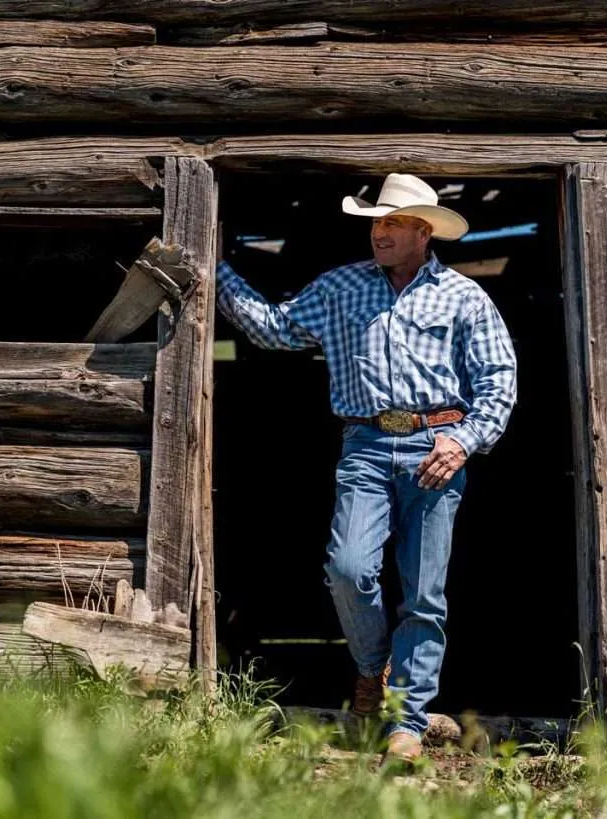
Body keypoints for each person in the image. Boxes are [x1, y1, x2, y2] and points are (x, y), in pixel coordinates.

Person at [215, 173, 517, 766]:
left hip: (438, 446)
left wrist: (464, 442)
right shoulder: (341, 287)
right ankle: (370, 668)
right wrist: (214, 271)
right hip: (366, 444)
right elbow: (275, 330)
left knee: (425, 594)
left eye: (392, 223)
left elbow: (499, 382)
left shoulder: (463, 296)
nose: (378, 232)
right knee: (348, 568)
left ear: (423, 232)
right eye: (375, 222)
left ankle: (404, 723)